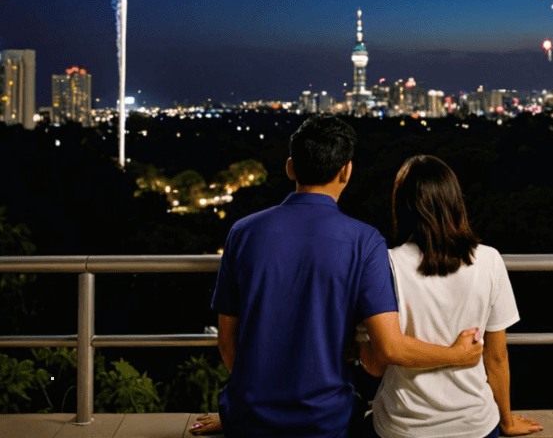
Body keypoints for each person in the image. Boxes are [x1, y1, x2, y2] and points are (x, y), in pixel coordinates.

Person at [198, 117, 483, 438]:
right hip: (326, 420)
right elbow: (388, 346)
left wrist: (256, 403)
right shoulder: (364, 241)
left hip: (249, 417)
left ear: (290, 167)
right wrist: (457, 355)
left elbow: (226, 340)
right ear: (346, 171)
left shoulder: (243, 232)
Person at [359, 155, 542, 438]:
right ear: (455, 202)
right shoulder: (490, 260)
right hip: (477, 425)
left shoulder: (386, 265)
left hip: (405, 427)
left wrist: (357, 344)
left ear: (402, 206)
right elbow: (496, 357)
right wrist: (505, 420)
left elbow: (374, 365)